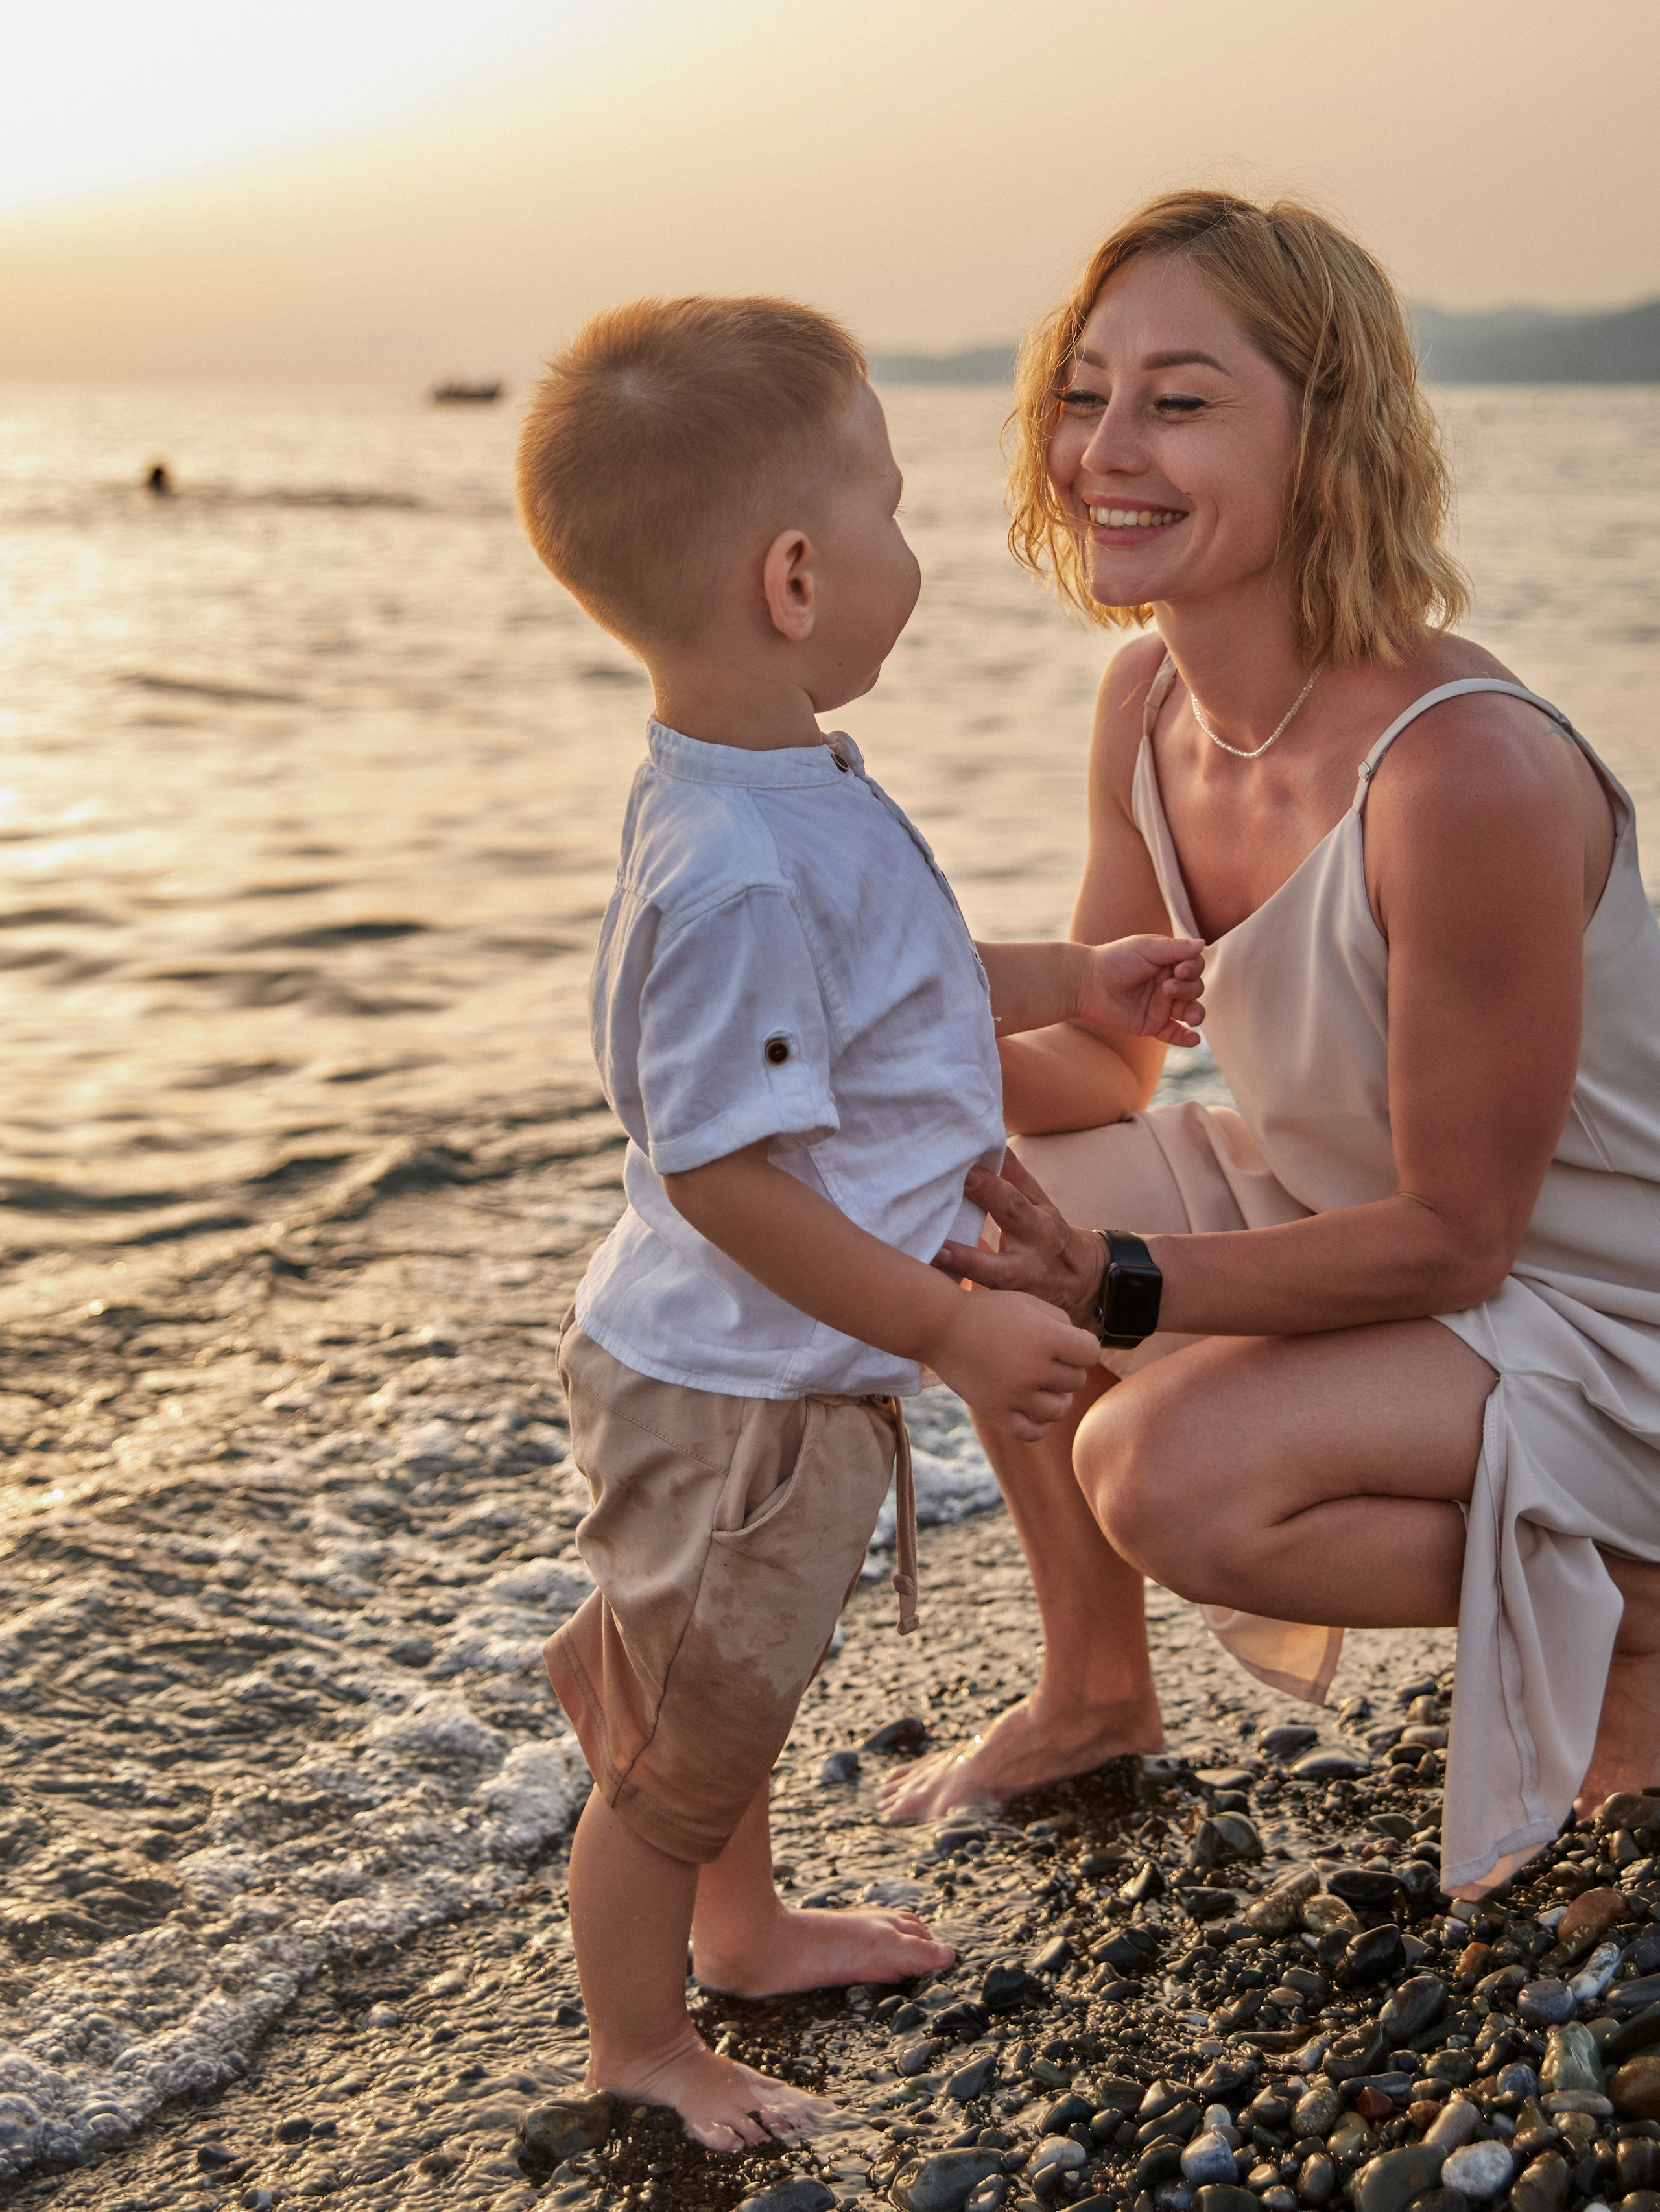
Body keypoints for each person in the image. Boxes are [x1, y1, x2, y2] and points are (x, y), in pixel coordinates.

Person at [876, 189, 1660, 1901]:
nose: (1103, 448)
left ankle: (1645, 1605)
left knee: (1164, 1471)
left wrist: (1127, 1284)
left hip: (1602, 1306)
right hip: (1355, 1216)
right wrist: (864, 1080)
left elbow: (1465, 1235)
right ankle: (1094, 1694)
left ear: (1328, 441)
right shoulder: (1150, 704)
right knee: (953, 1191)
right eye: (1085, 393)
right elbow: (1106, 1072)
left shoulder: (1465, 774)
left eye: (1179, 398)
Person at [513, 294, 1209, 2149]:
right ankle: (643, 2041)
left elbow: (903, 979)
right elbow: (734, 1176)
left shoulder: (779, 788)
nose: (931, 544)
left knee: (726, 1679)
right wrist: (943, 1322)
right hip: (743, 1391)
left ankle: (738, 1919)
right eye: (897, 509)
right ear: (800, 576)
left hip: (734, 1374)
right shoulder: (738, 864)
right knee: (677, 1760)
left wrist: (1083, 979)